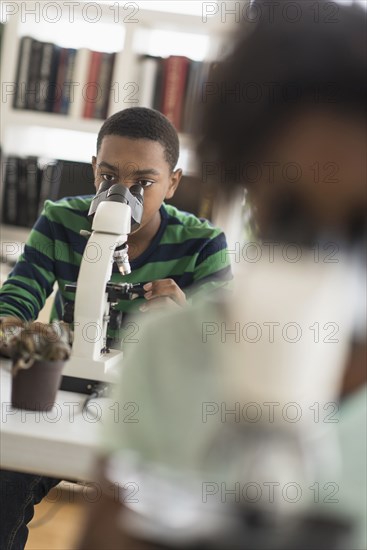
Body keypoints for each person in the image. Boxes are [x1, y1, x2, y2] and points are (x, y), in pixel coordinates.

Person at [77, 1, 366, 548]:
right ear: (247, 183)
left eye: (359, 224)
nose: (327, 261)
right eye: (294, 216)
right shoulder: (171, 351)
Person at [0, 107, 232, 550]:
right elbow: (12, 307)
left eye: (144, 183)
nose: (120, 195)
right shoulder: (61, 220)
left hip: (151, 414)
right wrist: (27, 336)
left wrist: (187, 320)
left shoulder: (203, 245)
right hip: (62, 404)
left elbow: (226, 357)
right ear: (93, 171)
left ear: (174, 182)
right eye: (108, 177)